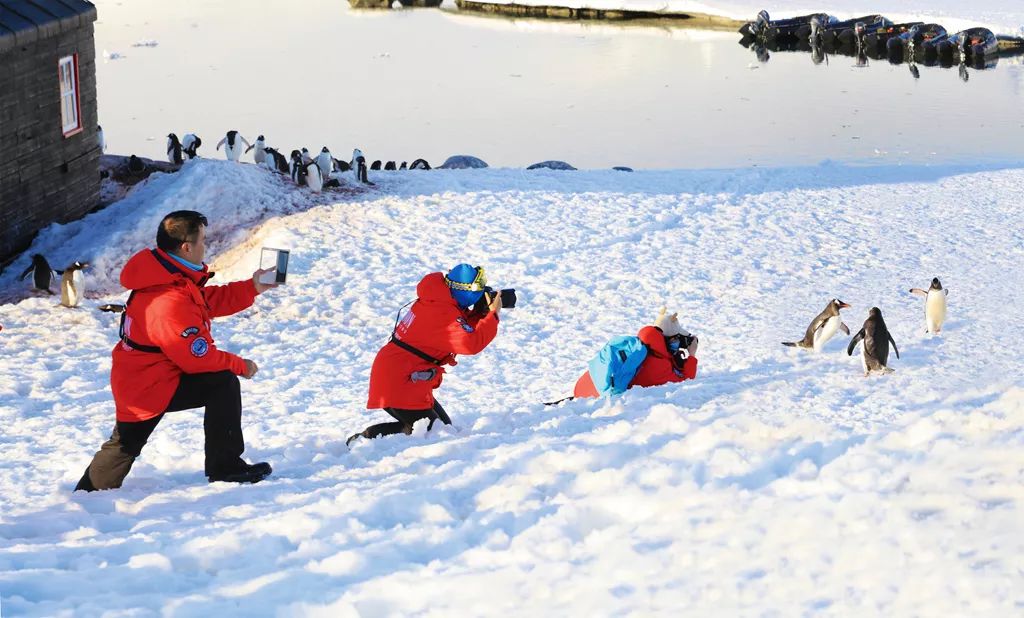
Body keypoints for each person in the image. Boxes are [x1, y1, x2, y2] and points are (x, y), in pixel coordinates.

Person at [75, 210, 277, 491]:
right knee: (221, 383)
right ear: (186, 247)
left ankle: (88, 495)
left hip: (147, 375)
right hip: (149, 384)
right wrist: (240, 364)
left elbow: (204, 302)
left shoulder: (168, 277)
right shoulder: (167, 299)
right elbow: (198, 357)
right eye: (203, 240)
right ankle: (225, 467)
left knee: (126, 441)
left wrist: (252, 287)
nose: (205, 246)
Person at [348, 263, 503, 445]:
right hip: (398, 379)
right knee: (430, 433)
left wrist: (480, 313)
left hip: (403, 374)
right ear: (465, 290)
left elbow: (463, 326)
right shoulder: (440, 311)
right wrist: (492, 315)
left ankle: (374, 438)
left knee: (443, 428)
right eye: (479, 286)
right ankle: (365, 440)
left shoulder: (440, 301)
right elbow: (470, 343)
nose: (483, 290)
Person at [572, 308, 699, 398]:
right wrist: (692, 355)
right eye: (676, 339)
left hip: (582, 387)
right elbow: (685, 380)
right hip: (594, 398)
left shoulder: (637, 345)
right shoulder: (657, 365)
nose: (678, 343)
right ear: (666, 339)